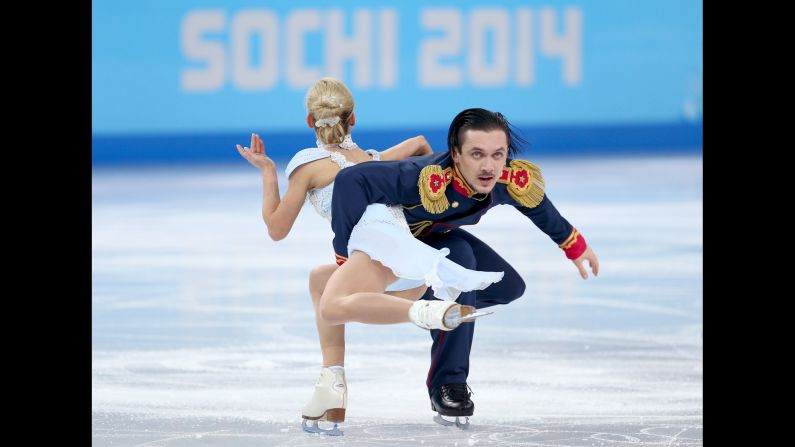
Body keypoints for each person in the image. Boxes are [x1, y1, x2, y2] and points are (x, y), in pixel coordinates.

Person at [236, 78, 504, 435]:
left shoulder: (307, 164)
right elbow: (421, 144)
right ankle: (331, 384)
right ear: (353, 119)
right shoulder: (372, 160)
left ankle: (429, 311)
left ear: (309, 122)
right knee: (320, 280)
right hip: (412, 263)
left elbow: (276, 228)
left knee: (332, 304)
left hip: (379, 259)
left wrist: (268, 172)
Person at [326, 107, 600, 427]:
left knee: (509, 287)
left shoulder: (506, 178)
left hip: (436, 238)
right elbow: (350, 180)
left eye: (498, 154)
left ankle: (433, 304)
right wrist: (344, 259)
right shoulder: (421, 177)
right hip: (398, 245)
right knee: (463, 264)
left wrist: (573, 244)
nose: (489, 166)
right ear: (456, 155)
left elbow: (535, 203)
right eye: (477, 154)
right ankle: (448, 383)